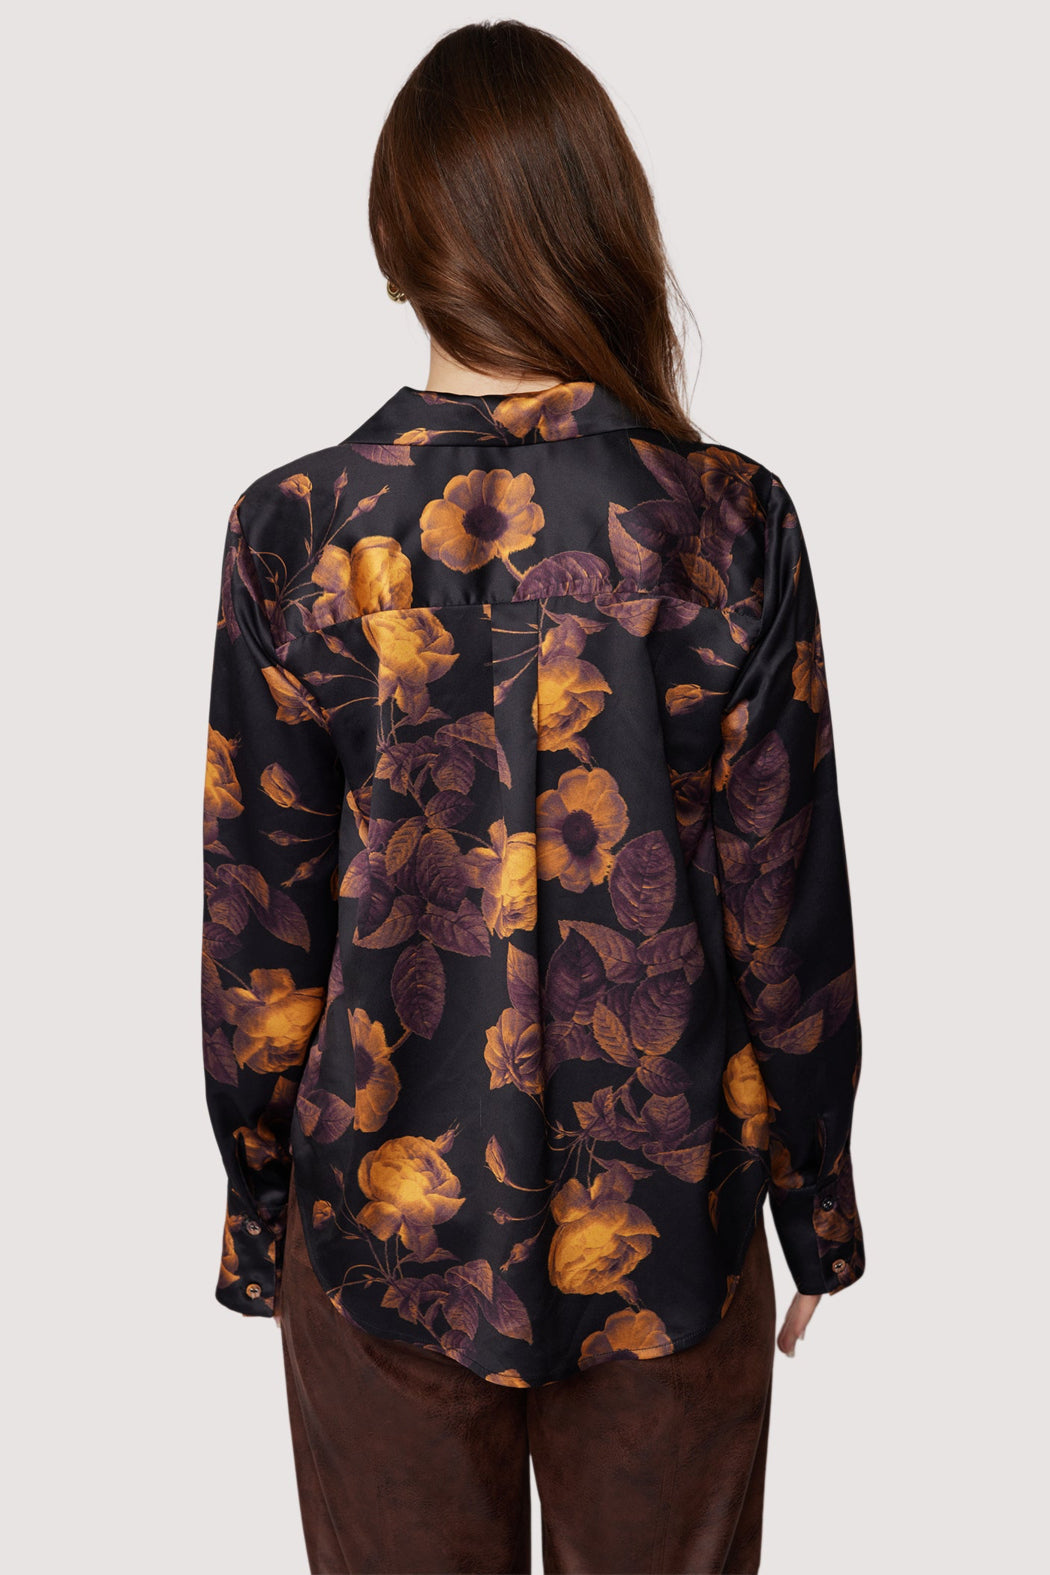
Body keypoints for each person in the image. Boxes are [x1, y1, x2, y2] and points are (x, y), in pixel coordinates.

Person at [200, 19, 866, 1574]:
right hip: (673, 1223)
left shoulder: (299, 529)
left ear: (396, 245)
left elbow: (258, 926)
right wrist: (814, 1202)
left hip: (376, 1221)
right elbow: (786, 909)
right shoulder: (723, 522)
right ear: (601, 226)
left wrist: (254, 1209)